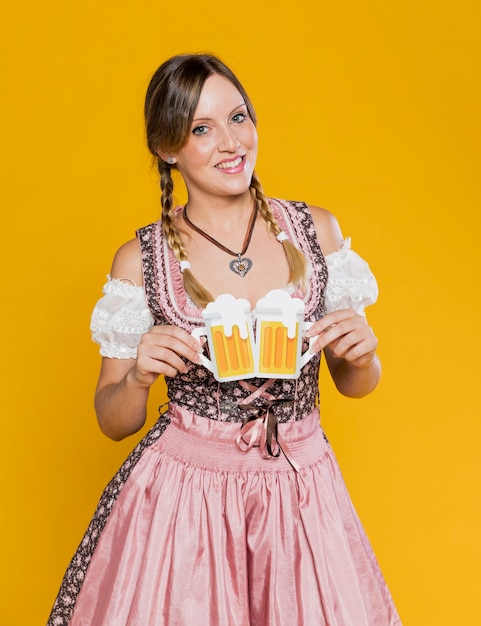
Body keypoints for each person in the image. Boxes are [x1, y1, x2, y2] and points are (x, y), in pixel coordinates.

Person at [48, 53, 401, 625]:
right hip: (183, 496)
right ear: (167, 148)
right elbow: (113, 419)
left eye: (239, 117)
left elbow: (356, 383)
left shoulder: (318, 232)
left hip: (300, 489)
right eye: (201, 129)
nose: (230, 142)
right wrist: (138, 376)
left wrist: (363, 354)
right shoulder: (142, 259)